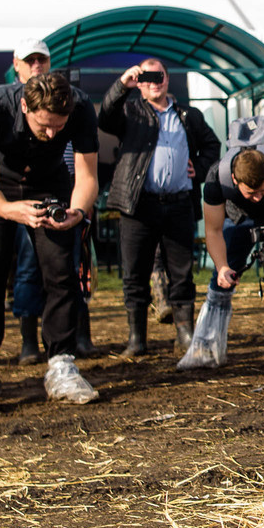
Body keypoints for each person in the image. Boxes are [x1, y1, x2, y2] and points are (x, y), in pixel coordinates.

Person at [0, 72, 101, 415]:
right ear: (24, 105)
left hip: (50, 184)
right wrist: (8, 209)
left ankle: (61, 364)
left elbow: (87, 175)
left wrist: (78, 210)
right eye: (44, 125)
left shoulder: (79, 108)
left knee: (61, 270)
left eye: (58, 127)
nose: (52, 134)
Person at [100, 57, 221, 357]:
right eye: (147, 77)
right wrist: (121, 85)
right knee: (135, 274)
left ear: (168, 79)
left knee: (182, 272)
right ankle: (137, 339)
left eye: (160, 76)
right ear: (139, 83)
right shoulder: (130, 112)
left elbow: (212, 146)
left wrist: (201, 167)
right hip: (138, 207)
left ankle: (184, 334)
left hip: (178, 204)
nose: (154, 81)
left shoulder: (187, 115)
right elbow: (104, 118)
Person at [177, 147, 264, 374]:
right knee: (223, 276)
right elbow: (213, 231)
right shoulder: (216, 178)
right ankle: (206, 348)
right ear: (234, 179)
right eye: (251, 193)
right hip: (238, 216)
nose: (258, 198)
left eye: (263, 190)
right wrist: (222, 267)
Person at [7, 39, 55, 362]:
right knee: (27, 267)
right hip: (21, 196)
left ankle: (69, 339)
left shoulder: (63, 94)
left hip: (60, 191)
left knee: (66, 268)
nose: (36, 64)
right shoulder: (5, 102)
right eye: (30, 59)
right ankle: (28, 341)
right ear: (17, 64)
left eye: (42, 59)